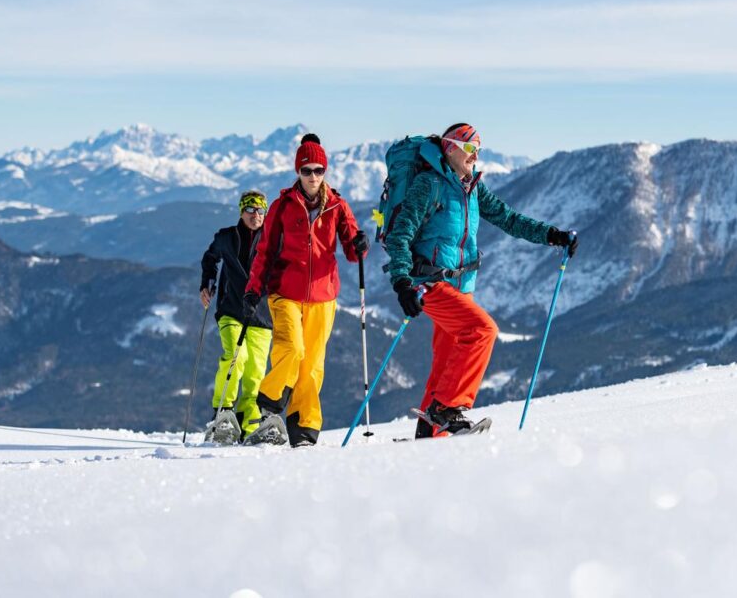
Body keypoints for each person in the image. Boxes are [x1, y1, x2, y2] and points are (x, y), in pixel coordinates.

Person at [384, 123, 578, 438]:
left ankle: (430, 433)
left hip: (464, 285)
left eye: (479, 148)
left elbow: (508, 218)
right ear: (450, 148)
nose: (476, 154)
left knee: (447, 363)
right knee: (482, 331)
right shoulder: (429, 184)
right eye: (470, 147)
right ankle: (447, 409)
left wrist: (551, 235)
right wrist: (402, 281)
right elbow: (400, 234)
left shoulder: (472, 187)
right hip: (431, 282)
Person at [243, 133, 368, 447]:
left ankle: (304, 428)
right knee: (292, 349)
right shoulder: (282, 206)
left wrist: (359, 244)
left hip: (323, 296)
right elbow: (265, 252)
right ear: (298, 172)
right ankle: (270, 402)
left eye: (318, 170)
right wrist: (253, 287)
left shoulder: (338, 205)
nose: (313, 177)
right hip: (285, 291)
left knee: (312, 364)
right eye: (307, 170)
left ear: (325, 172)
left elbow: (353, 251)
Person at [199, 190, 273, 442]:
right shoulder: (227, 237)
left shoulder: (273, 238)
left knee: (255, 374)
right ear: (241, 212)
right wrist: (207, 283)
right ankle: (223, 412)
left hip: (263, 315)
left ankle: (248, 423)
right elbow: (210, 258)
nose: (256, 215)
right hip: (232, 310)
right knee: (235, 357)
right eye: (250, 210)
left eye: (260, 210)